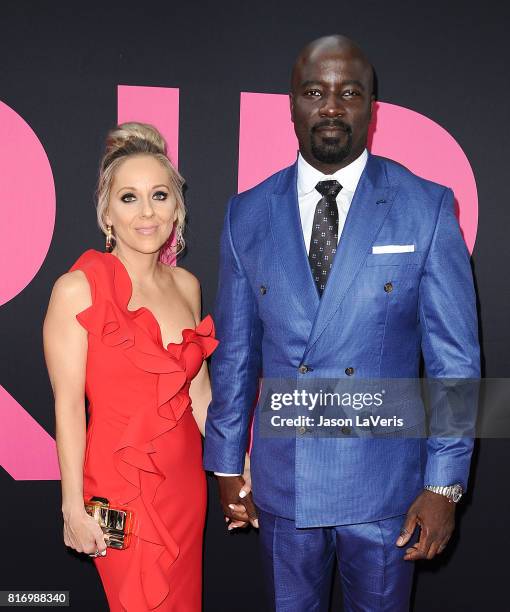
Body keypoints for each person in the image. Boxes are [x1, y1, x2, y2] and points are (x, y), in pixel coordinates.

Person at [204, 35, 480, 611]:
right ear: (291, 104)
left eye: (348, 92)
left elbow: (456, 363)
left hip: (387, 491)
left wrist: (444, 484)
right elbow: (234, 356)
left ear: (372, 109)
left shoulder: (425, 205)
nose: (330, 107)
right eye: (314, 92)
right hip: (285, 485)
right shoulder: (245, 213)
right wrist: (227, 462)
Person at [43, 122, 220, 611]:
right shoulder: (78, 289)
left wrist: (236, 462)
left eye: (160, 195)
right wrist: (72, 507)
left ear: (177, 208)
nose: (147, 212)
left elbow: (200, 396)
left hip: (185, 487)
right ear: (107, 212)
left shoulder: (187, 285)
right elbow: (68, 408)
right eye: (129, 198)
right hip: (118, 491)